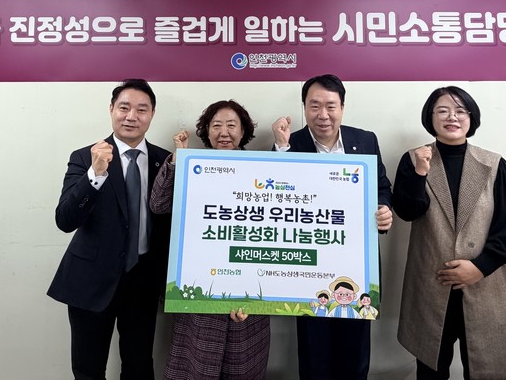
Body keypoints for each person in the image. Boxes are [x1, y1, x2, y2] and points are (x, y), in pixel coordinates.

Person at [392, 86, 506, 380]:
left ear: (471, 117)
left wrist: (479, 267)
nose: (451, 117)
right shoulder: (414, 159)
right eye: (442, 111)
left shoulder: (494, 165)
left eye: (459, 111)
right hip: (431, 285)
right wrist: (420, 172)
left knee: (489, 368)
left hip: (484, 284)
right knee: (430, 370)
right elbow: (407, 211)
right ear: (430, 117)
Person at [271, 73, 393, 380]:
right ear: (304, 108)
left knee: (355, 356)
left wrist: (384, 209)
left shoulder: (365, 140)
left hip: (357, 267)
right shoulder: (291, 143)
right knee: (315, 357)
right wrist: (281, 148)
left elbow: (381, 187)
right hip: (309, 267)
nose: (323, 115)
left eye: (330, 106)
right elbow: (276, 194)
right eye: (314, 106)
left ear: (342, 107)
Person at [48, 79, 172, 380]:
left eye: (141, 109)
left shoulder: (165, 160)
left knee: (139, 366)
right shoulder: (85, 157)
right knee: (88, 369)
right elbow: (65, 220)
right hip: (91, 278)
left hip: (143, 279)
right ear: (111, 109)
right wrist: (95, 174)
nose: (132, 116)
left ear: (152, 114)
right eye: (124, 108)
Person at [150, 100, 271, 380]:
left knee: (243, 369)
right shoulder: (194, 166)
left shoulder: (263, 168)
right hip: (200, 294)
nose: (224, 132)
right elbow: (158, 204)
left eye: (231, 125)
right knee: (196, 368)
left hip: (249, 295)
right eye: (216, 125)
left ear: (243, 131)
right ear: (206, 131)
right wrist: (178, 158)